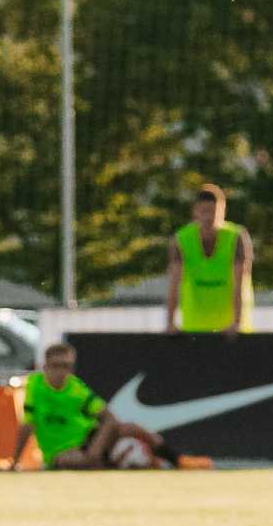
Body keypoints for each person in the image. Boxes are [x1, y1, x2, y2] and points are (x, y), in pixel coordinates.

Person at [19, 340, 173, 470]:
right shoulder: (34, 385)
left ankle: (176, 460)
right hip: (60, 451)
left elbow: (109, 419)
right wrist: (14, 461)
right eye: (56, 366)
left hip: (88, 439)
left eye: (67, 366)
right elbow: (27, 425)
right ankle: (124, 462)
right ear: (45, 366)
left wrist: (95, 450)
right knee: (75, 461)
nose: (61, 372)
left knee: (132, 428)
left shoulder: (76, 388)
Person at [163, 185, 252, 335]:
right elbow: (173, 284)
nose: (208, 217)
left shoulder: (236, 237)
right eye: (204, 212)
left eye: (213, 212)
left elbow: (240, 283)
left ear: (223, 211)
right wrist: (170, 323)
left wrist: (236, 323)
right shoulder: (182, 239)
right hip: (193, 330)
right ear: (195, 211)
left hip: (230, 332)